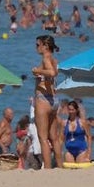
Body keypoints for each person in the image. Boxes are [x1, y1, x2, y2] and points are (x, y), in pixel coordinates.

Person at [31, 35, 62, 168]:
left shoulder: (45, 58)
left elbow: (51, 73)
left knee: (43, 138)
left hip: (43, 100)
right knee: (53, 137)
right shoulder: (54, 59)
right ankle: (60, 166)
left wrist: (37, 70)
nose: (36, 47)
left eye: (38, 45)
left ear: (45, 46)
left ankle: (48, 169)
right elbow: (53, 73)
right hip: (53, 99)